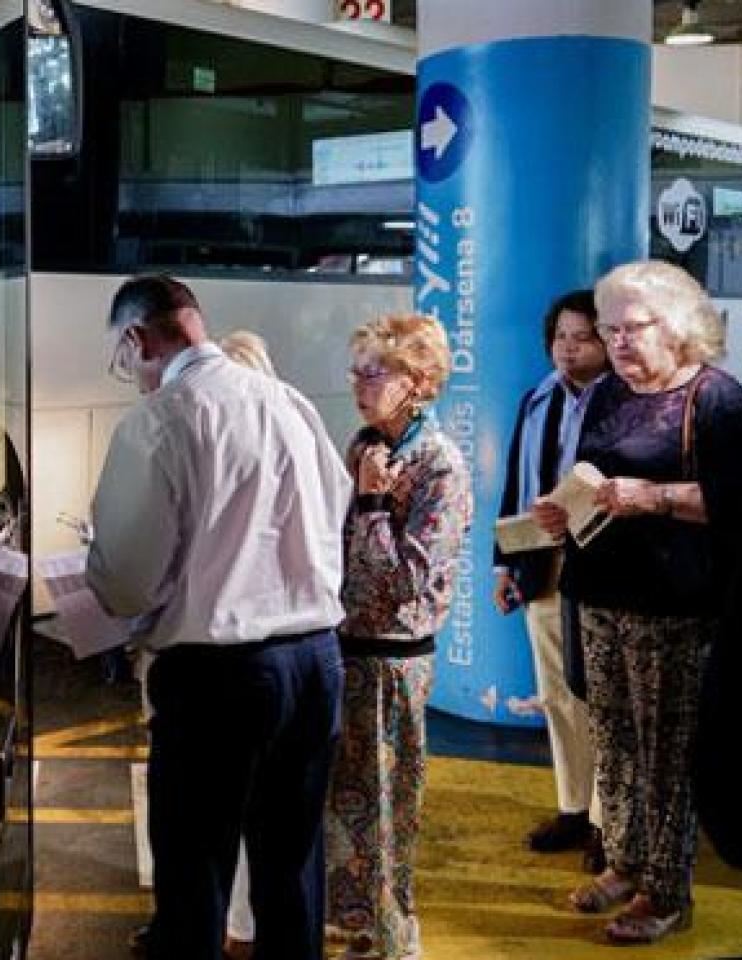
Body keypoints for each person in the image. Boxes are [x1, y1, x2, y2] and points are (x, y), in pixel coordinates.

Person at [87, 275, 352, 960]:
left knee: (195, 876)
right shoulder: (288, 401)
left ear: (135, 339)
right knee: (290, 871)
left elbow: (125, 578)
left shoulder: (161, 418)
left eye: (125, 359)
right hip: (316, 659)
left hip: (217, 677)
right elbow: (335, 507)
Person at [536, 261, 742, 944]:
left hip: (675, 605)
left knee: (665, 750)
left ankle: (667, 891)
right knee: (612, 741)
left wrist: (655, 498)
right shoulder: (609, 391)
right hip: (600, 590)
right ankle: (625, 861)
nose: (618, 344)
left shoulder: (717, 398)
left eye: (630, 329)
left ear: (677, 326)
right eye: (609, 331)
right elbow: (593, 474)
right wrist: (562, 509)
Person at [325, 313, 472, 960]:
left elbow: (412, 579)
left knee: (385, 810)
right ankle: (353, 923)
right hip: (341, 650)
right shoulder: (364, 445)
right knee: (343, 804)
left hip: (391, 662)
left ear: (417, 382)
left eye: (373, 371)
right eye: (356, 369)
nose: (358, 382)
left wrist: (378, 504)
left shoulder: (438, 464)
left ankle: (393, 935)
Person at [490, 290, 609, 871]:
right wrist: (502, 565)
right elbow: (515, 479)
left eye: (581, 336)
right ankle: (572, 805)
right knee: (558, 692)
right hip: (541, 561)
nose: (568, 346)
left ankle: (609, 823)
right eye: (561, 336)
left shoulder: (623, 402)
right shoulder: (537, 398)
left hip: (605, 566)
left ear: (607, 342)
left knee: (605, 696)